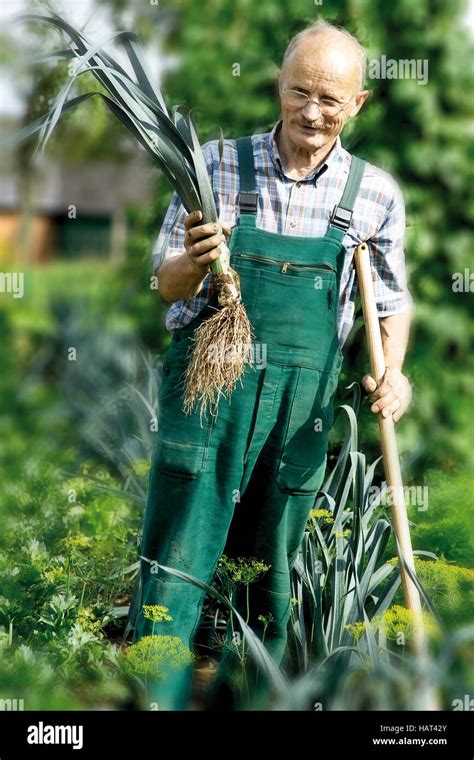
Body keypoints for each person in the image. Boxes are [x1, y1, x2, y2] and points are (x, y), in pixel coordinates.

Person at [128, 20, 413, 710]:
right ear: (278, 87)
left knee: (270, 579)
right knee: (175, 566)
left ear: (360, 103)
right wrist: (193, 264)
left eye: (330, 98)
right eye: (299, 91)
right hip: (208, 397)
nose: (311, 112)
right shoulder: (216, 165)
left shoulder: (372, 196)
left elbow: (390, 304)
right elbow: (162, 285)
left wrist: (394, 370)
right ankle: (153, 702)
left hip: (299, 413)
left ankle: (251, 703)